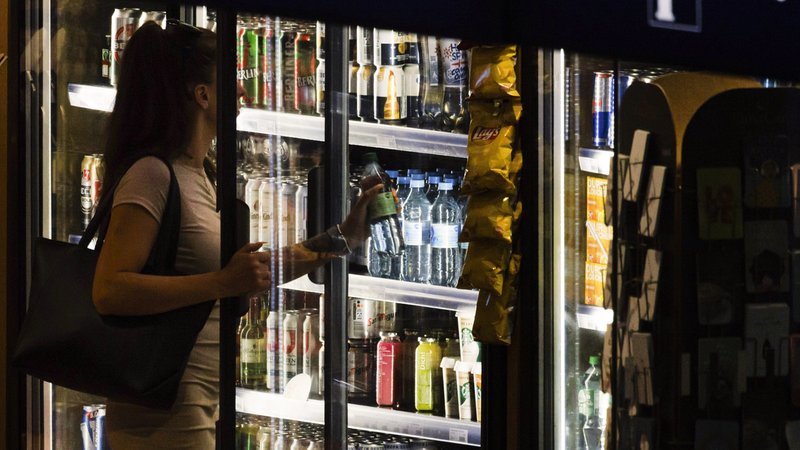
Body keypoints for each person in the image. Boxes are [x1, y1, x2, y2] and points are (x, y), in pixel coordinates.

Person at [92, 20, 380, 449]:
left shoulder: (196, 173)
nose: (243, 91)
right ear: (202, 95)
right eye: (233, 80)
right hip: (162, 412)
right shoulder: (152, 174)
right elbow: (110, 290)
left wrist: (343, 237)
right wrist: (221, 284)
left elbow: (248, 273)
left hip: (198, 400)